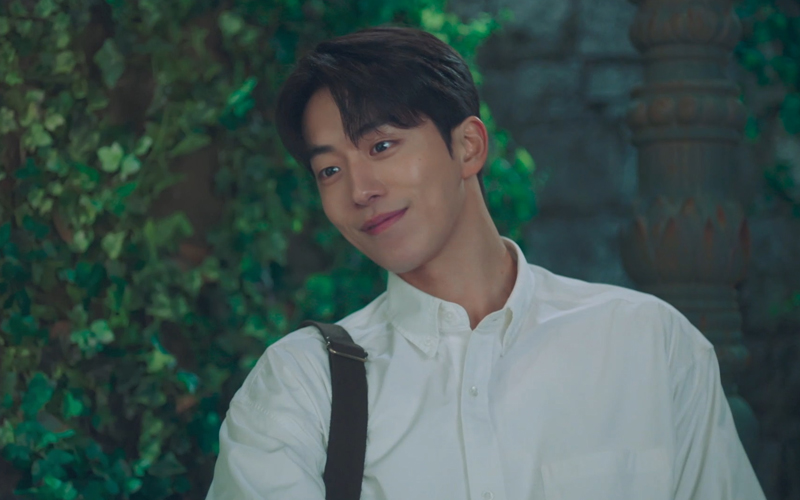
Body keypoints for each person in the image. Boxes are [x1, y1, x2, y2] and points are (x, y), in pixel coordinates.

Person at [205, 26, 765, 500]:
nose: (360, 189)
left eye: (381, 146)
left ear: (468, 146)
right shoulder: (300, 386)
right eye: (329, 170)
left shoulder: (649, 344)